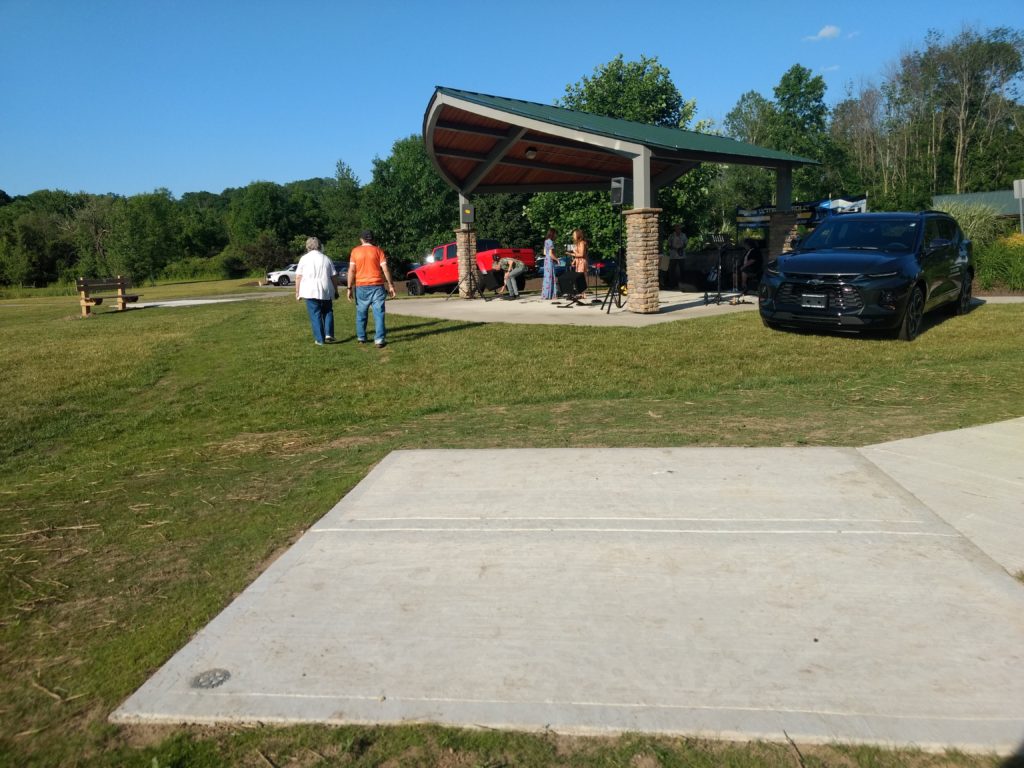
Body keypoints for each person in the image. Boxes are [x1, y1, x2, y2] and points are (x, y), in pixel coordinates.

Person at [347, 230, 396, 348]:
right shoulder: (378, 251)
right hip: (377, 285)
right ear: (372, 239)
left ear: (361, 239)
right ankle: (379, 339)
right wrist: (390, 285)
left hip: (361, 286)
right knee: (379, 313)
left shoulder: (355, 251)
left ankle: (361, 337)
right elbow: (385, 269)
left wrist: (349, 287)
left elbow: (352, 270)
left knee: (361, 312)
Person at [295, 236, 340, 346]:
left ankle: (320, 339)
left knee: (315, 314)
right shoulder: (326, 258)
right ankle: (329, 333)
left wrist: (297, 292)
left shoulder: (304, 259)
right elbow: (333, 276)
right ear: (320, 246)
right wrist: (336, 290)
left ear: (308, 246)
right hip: (325, 288)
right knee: (328, 311)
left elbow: (298, 276)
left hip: (309, 290)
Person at [665, 223, 688, 289]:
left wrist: (681, 248)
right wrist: (674, 248)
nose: (678, 229)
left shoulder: (683, 235)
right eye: (676, 227)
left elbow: (686, 244)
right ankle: (672, 285)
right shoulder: (671, 235)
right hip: (673, 255)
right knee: (672, 271)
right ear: (675, 228)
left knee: (682, 271)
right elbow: (668, 245)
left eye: (679, 228)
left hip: (681, 255)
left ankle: (683, 285)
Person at [571, 228, 589, 300]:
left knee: (582, 277)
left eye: (574, 234)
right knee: (579, 278)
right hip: (578, 261)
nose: (573, 236)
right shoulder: (578, 243)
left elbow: (581, 254)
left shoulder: (582, 243)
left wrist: (572, 252)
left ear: (578, 235)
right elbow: (577, 254)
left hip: (582, 261)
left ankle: (584, 294)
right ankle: (581, 293)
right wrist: (574, 261)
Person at [540, 228, 558, 301]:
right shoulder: (551, 242)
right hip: (550, 260)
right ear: (553, 234)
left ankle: (545, 294)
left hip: (546, 260)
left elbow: (545, 253)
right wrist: (557, 259)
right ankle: (552, 295)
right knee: (551, 276)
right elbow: (551, 254)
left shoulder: (546, 241)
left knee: (547, 277)